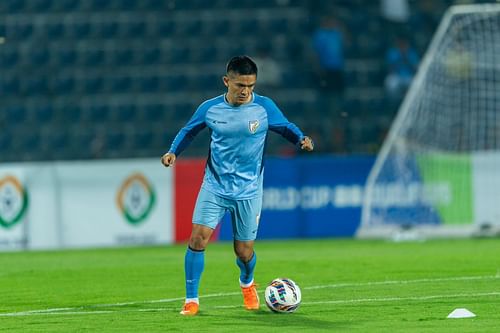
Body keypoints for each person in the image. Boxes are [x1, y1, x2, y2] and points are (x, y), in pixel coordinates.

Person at [161, 56, 314, 316]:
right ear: (226, 81)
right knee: (198, 238)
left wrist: (300, 139)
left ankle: (247, 282)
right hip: (215, 186)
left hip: (249, 191)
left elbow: (285, 127)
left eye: (250, 86)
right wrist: (173, 151)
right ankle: (191, 300)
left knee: (244, 252)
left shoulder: (264, 107)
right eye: (240, 85)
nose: (245, 91)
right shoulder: (210, 109)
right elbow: (189, 131)